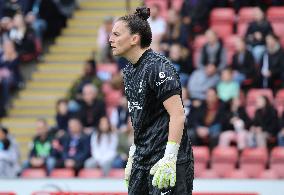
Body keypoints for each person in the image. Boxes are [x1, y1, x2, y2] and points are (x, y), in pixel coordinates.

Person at [109, 6, 194, 195]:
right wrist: (134, 151)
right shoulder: (129, 71)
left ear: (134, 39)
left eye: (116, 34)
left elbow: (178, 114)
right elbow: (141, 116)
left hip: (166, 160)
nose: (110, 39)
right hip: (142, 159)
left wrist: (170, 157)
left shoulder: (158, 67)